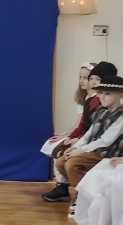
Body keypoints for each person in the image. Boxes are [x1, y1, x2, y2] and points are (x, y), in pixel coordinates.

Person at [51, 76, 123, 205]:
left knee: (72, 164)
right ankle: (87, 194)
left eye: (107, 94)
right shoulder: (101, 112)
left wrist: (81, 150)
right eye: (100, 93)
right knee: (60, 162)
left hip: (112, 153)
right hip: (98, 150)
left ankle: (85, 199)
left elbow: (106, 140)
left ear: (121, 95)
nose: (102, 97)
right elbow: (89, 134)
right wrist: (75, 147)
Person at [42, 60, 116, 202]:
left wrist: (78, 145)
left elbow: (102, 136)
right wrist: (71, 138)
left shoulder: (109, 108)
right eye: (91, 79)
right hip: (88, 140)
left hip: (103, 148)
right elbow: (84, 126)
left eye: (96, 79)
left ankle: (84, 198)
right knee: (60, 159)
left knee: (70, 162)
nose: (92, 82)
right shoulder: (90, 101)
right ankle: (72, 191)